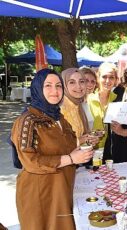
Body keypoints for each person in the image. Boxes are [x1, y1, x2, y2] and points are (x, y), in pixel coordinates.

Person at [11, 69, 93, 230]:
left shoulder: (58, 116)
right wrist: (70, 159)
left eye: (58, 86)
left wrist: (81, 148)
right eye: (48, 85)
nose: (55, 91)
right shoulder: (28, 120)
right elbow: (30, 161)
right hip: (40, 193)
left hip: (62, 187)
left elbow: (66, 145)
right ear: (37, 88)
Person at [60, 68, 98, 146]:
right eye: (72, 82)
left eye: (81, 81)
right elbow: (56, 143)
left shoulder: (77, 104)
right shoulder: (60, 108)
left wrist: (89, 139)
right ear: (63, 84)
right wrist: (79, 141)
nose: (79, 86)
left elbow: (81, 135)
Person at [87, 62, 118, 148]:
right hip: (89, 149)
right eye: (104, 77)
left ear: (116, 80)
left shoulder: (117, 99)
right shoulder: (89, 99)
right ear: (98, 77)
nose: (108, 81)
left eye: (111, 77)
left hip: (110, 150)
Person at [80, 67, 98, 131]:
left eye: (93, 81)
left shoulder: (92, 102)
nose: (90, 84)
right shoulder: (72, 104)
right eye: (86, 80)